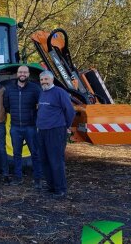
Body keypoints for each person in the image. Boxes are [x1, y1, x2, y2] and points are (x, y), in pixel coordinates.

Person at [37, 70, 75, 198]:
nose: (44, 82)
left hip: (55, 130)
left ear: (52, 80)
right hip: (42, 131)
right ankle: (51, 186)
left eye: (46, 79)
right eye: (42, 80)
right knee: (45, 159)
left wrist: (66, 125)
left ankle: (60, 189)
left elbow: (70, 110)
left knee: (56, 160)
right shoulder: (42, 92)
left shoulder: (59, 92)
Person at [4, 65, 43, 187]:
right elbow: (7, 106)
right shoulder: (9, 89)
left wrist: (34, 118)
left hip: (30, 127)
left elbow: (41, 105)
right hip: (15, 127)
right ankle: (18, 178)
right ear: (17, 74)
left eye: (25, 72)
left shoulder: (35, 88)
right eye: (20, 72)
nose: (22, 74)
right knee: (16, 154)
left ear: (28, 74)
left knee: (35, 153)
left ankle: (37, 179)